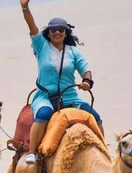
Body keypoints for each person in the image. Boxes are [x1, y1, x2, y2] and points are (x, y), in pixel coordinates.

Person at [19, 0, 104, 164]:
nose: (57, 32)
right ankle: (32, 153)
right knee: (43, 115)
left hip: (70, 97)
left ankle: (103, 150)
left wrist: (86, 81)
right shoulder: (41, 46)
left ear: (66, 33)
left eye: (61, 29)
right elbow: (32, 26)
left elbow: (85, 69)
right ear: (49, 33)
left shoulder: (74, 52)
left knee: (95, 116)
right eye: (53, 30)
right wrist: (25, 7)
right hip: (45, 96)